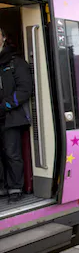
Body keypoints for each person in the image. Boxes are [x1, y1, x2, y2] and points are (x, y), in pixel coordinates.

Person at [0, 27, 33, 202]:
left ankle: (15, 188)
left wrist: (5, 105)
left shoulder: (16, 62)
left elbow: (25, 89)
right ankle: (2, 187)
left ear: (4, 38)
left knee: (12, 153)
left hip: (11, 116)